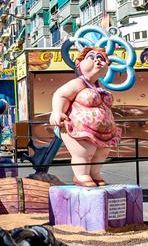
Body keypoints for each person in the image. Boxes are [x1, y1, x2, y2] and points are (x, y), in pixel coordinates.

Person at [49, 46, 122, 186]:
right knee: (84, 152)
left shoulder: (98, 86)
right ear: (79, 64)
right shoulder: (79, 83)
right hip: (79, 128)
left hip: (104, 132)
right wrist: (57, 111)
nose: (97, 61)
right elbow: (61, 94)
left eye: (101, 59)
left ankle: (95, 174)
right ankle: (81, 175)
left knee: (101, 153)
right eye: (92, 57)